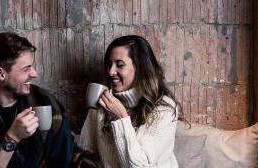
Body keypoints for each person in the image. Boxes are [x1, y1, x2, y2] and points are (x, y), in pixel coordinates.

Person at [0, 32, 76, 168]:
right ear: (0, 73)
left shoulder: (43, 100)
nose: (34, 74)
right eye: (26, 69)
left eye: (32, 66)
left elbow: (69, 153)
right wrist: (13, 137)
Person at [78, 35, 184, 168]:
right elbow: (85, 151)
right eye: (109, 64)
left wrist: (121, 117)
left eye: (119, 65)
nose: (111, 72)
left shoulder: (164, 109)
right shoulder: (102, 103)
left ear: (140, 68)